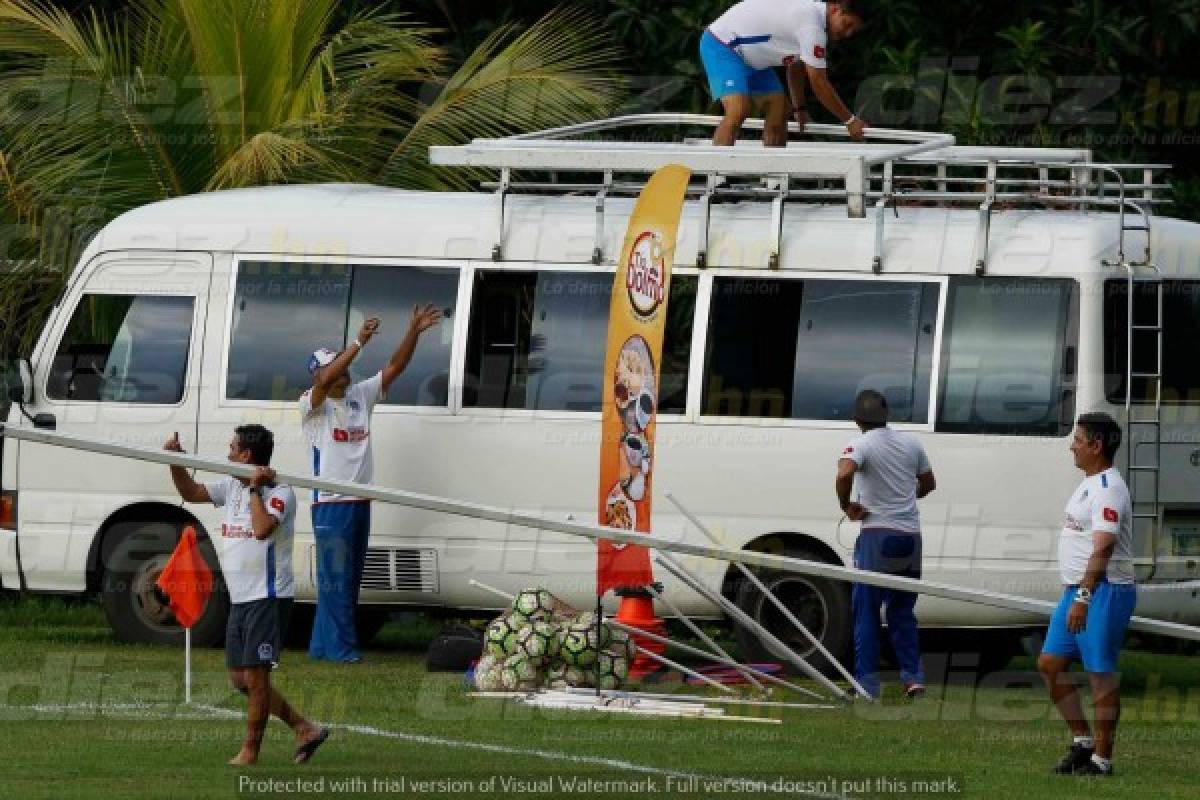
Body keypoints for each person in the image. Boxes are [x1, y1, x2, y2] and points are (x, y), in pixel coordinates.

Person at [165, 425, 329, 766]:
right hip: (241, 599)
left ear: (246, 456)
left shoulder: (280, 492)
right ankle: (304, 728)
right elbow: (191, 491)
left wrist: (255, 489)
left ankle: (250, 752)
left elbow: (261, 530)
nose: (227, 454)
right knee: (240, 679)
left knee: (256, 678)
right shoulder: (230, 486)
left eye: (232, 448)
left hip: (267, 598)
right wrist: (174, 462)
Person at [302, 305, 442, 662]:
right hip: (331, 506)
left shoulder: (359, 396)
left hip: (360, 501)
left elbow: (395, 367)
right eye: (336, 365)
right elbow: (322, 382)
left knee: (347, 580)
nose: (344, 370)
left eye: (345, 364)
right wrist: (358, 342)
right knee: (336, 581)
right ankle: (342, 650)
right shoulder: (312, 405)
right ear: (320, 373)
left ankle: (321, 647)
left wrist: (413, 331)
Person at [1038, 413, 1136, 777]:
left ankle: (1102, 759)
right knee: (1050, 664)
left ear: (1096, 446)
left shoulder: (1109, 487)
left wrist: (1083, 596)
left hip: (1103, 591)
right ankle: (1082, 741)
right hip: (1078, 590)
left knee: (1100, 674)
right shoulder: (1089, 482)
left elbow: (1105, 546)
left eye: (1077, 440)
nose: (1072, 446)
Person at [835, 389, 935, 699]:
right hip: (910, 538)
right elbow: (929, 483)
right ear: (886, 414)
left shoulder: (861, 444)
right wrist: (907, 498)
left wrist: (846, 505)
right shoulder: (911, 442)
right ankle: (913, 678)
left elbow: (844, 473)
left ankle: (866, 684)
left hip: (877, 536)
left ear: (856, 419)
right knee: (902, 611)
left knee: (866, 611)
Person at [701, 0, 870, 146]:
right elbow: (818, 82)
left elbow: (795, 67)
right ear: (836, 9)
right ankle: (716, 180)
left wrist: (799, 108)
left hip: (751, 57)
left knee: (780, 110)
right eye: (847, 24)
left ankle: (772, 181)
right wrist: (850, 121)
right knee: (738, 110)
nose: (847, 33)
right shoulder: (812, 27)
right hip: (722, 43)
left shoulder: (814, 22)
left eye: (852, 31)